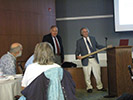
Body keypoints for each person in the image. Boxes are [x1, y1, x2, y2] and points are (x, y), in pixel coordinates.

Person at [75, 27, 105, 93]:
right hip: (86, 60)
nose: (85, 33)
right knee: (87, 75)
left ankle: (100, 87)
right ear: (81, 33)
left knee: (97, 74)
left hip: (94, 58)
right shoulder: (79, 41)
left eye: (86, 31)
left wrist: (105, 47)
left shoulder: (93, 38)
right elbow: (77, 51)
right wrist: (77, 56)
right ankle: (89, 87)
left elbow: (98, 46)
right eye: (84, 32)